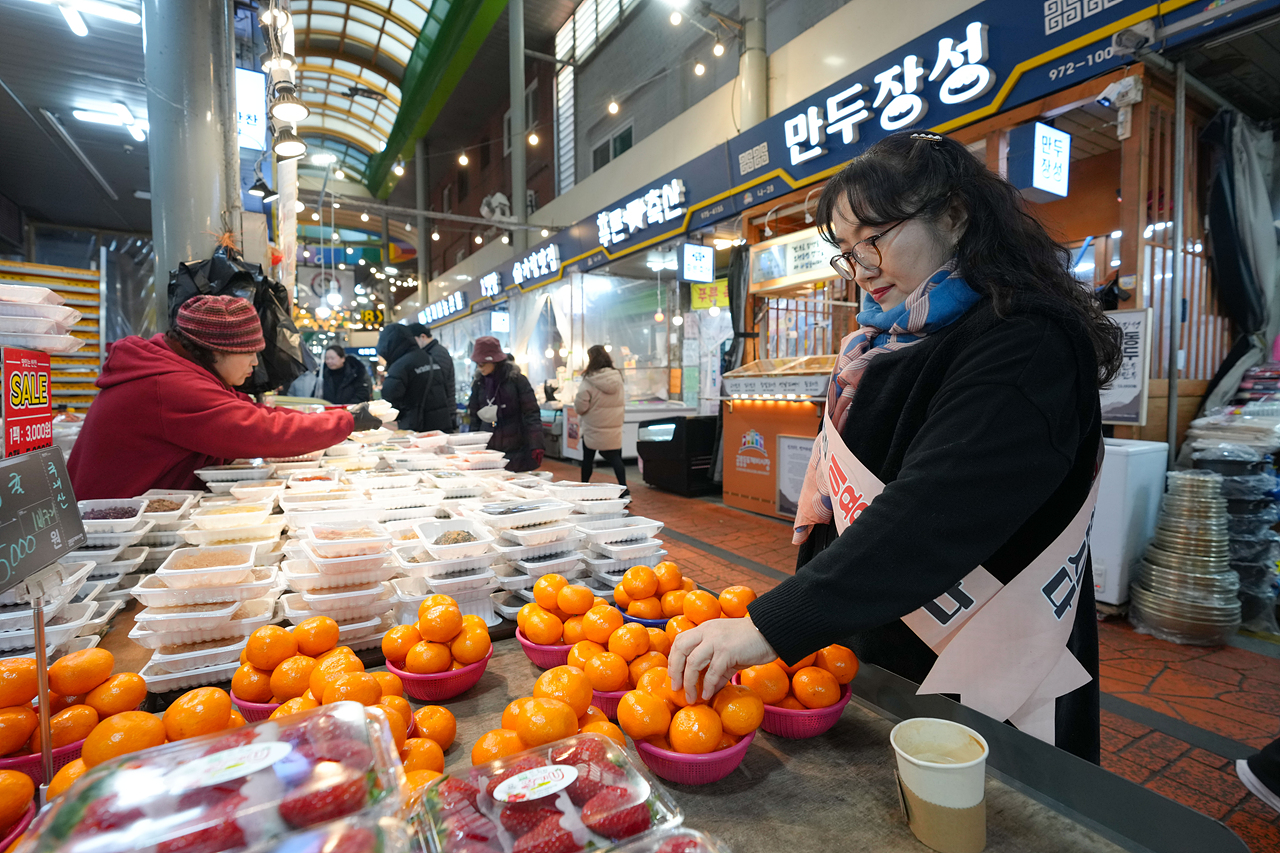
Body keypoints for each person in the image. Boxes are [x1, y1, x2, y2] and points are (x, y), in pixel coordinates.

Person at [667, 130, 1123, 764]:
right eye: (847, 252)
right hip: (886, 650)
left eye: (874, 238)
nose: (862, 268)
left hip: (988, 671)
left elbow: (934, 511)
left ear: (955, 216)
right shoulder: (882, 343)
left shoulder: (1025, 343)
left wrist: (773, 623)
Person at [68, 295, 382, 498]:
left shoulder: (183, 372)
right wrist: (345, 422)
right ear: (216, 350)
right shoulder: (169, 385)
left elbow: (257, 412)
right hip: (109, 530)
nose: (255, 363)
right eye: (249, 353)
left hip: (139, 516)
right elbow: (259, 430)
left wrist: (342, 414)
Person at [467, 336, 544, 471]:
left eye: (482, 364)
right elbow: (474, 418)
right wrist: (474, 445)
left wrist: (536, 444)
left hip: (517, 448)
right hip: (487, 451)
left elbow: (531, 414)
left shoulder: (517, 380)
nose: (479, 368)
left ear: (494, 361)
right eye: (477, 364)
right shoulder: (478, 383)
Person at [378, 323, 456, 432]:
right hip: (441, 422)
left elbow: (389, 400)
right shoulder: (429, 358)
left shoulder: (400, 366)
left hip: (416, 427)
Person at [574, 345, 627, 491]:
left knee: (588, 459)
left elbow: (581, 406)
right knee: (616, 458)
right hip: (613, 425)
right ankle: (624, 489)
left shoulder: (589, 379)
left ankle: (584, 487)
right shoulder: (617, 377)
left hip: (592, 426)